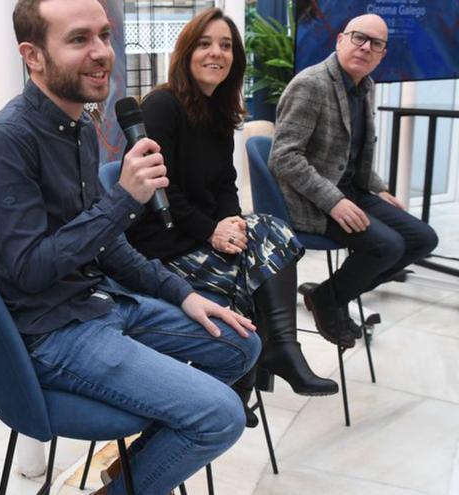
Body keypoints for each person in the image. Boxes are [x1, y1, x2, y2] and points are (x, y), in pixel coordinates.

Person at [0, 0, 261, 493]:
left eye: (104, 35)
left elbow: (107, 246)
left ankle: (130, 471)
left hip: (101, 303)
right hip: (54, 332)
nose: (103, 52)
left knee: (240, 345)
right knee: (222, 416)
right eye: (79, 40)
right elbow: (30, 270)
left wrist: (183, 294)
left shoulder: (79, 127)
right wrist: (124, 199)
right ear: (33, 56)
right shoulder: (6, 141)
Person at [125, 9, 337, 429]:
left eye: (225, 45)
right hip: (161, 242)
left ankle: (264, 360)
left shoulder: (219, 109)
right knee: (257, 260)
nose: (216, 53)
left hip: (200, 237)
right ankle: (251, 371)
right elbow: (160, 192)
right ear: (186, 52)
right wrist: (212, 230)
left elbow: (225, 182)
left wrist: (232, 224)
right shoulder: (161, 105)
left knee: (262, 236)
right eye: (205, 44)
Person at [270, 14, 438, 346]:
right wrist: (333, 201)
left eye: (376, 43)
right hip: (314, 200)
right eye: (359, 37)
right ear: (340, 40)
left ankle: (330, 293)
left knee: (423, 240)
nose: (365, 47)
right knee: (387, 246)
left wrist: (378, 187)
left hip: (353, 190)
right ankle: (330, 301)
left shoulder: (364, 85)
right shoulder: (311, 84)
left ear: (382, 54)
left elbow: (350, 153)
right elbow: (284, 157)